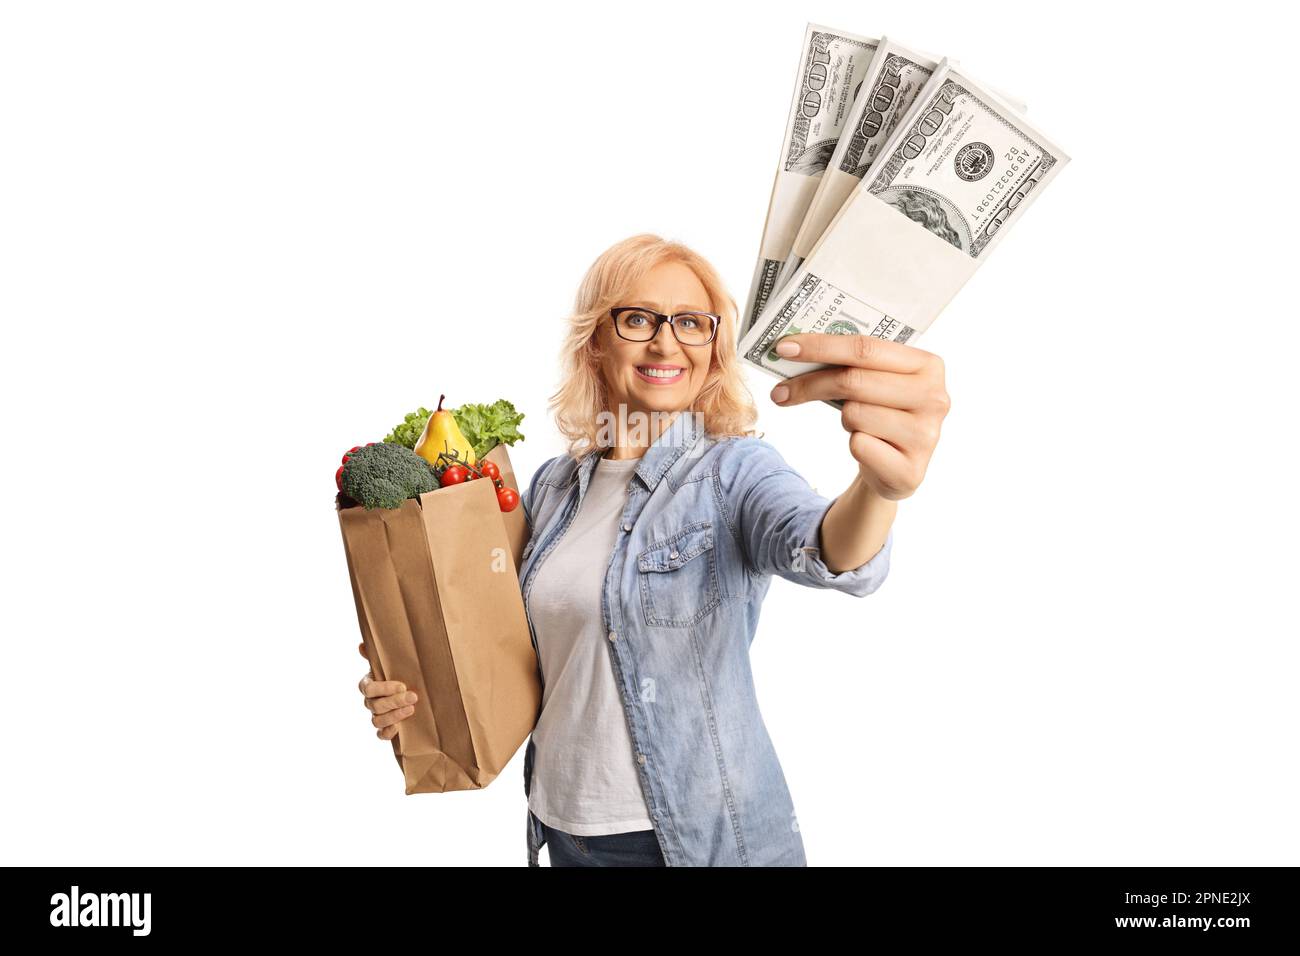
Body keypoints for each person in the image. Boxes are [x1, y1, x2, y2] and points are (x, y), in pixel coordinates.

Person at [359, 233, 950, 865]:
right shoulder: (553, 488)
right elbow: (508, 649)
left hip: (688, 844)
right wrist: (415, 687)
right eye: (638, 319)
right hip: (562, 831)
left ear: (713, 349)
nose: (666, 342)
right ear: (596, 340)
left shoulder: (732, 472)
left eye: (691, 323)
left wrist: (879, 489)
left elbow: (826, 547)